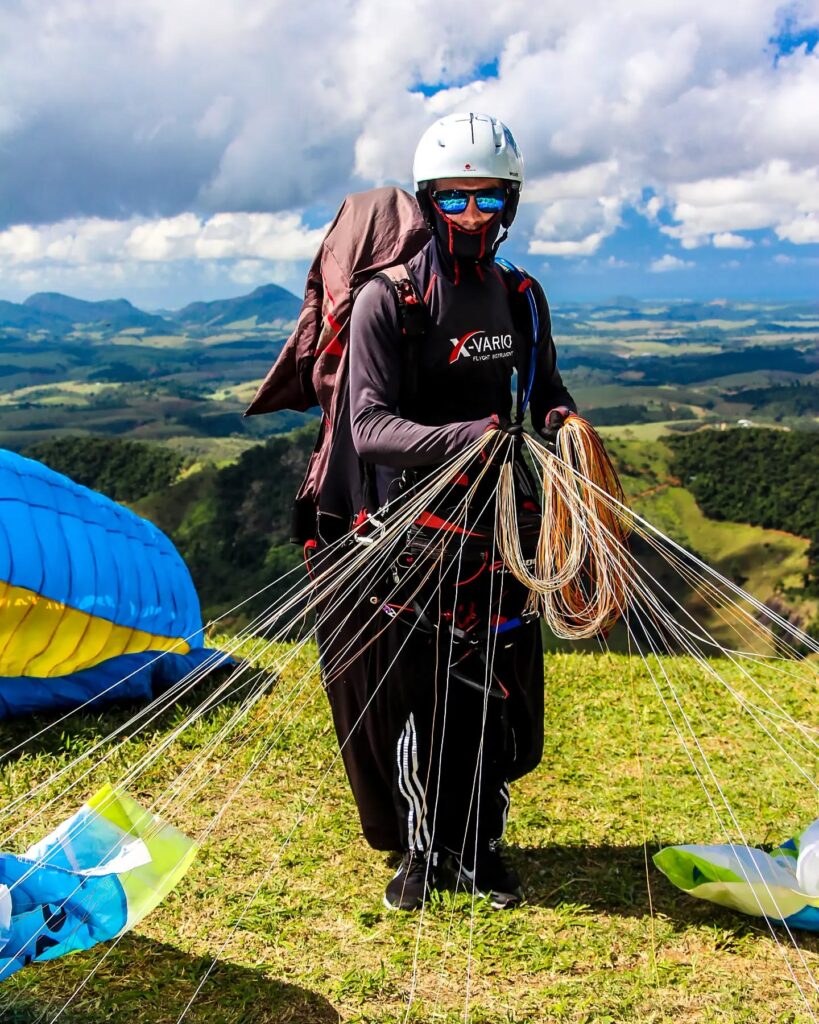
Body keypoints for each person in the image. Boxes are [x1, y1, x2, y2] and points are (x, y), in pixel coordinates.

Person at [317, 112, 576, 911]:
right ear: (428, 201)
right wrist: (470, 436)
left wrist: (566, 426)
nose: (470, 215)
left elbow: (544, 392)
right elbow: (367, 429)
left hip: (502, 526)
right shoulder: (388, 300)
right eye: (453, 198)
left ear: (510, 203)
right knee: (420, 698)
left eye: (487, 198)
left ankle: (480, 847)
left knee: (491, 690)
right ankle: (421, 851)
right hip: (411, 536)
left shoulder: (520, 298)